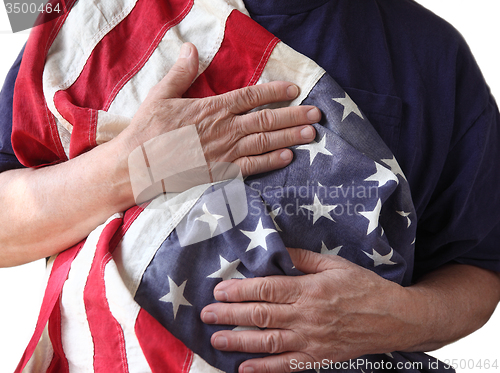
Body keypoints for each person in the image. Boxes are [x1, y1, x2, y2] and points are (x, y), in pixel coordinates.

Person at [1, 1, 499, 372]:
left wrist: (402, 316)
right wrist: (133, 168)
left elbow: (481, 264)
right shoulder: (98, 21)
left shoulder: (431, 54)